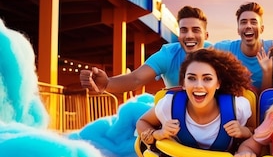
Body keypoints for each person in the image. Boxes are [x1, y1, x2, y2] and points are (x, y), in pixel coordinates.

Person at [136, 48, 253, 152]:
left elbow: (257, 135)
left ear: (218, 83)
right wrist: (158, 134)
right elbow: (142, 122)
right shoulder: (169, 105)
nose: (198, 85)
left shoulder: (237, 107)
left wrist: (244, 131)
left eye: (207, 79)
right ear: (183, 83)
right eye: (192, 78)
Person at [80, 6, 211, 93]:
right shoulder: (168, 55)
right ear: (179, 36)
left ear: (206, 35)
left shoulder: (216, 54)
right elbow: (136, 78)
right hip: (177, 116)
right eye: (184, 30)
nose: (189, 36)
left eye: (196, 30)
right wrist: (107, 83)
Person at [214, 2, 273, 93]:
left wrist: (267, 72)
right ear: (238, 30)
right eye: (243, 22)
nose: (248, 26)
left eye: (253, 22)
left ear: (262, 29)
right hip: (237, 103)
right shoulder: (224, 49)